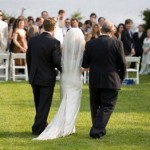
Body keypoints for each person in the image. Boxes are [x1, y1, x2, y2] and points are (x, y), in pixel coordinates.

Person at [33, 28, 85, 140]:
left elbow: (58, 61)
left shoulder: (63, 48)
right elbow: (83, 65)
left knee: (65, 100)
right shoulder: (81, 49)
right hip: (75, 77)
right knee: (73, 101)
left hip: (65, 76)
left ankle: (68, 126)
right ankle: (69, 127)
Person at [82, 21, 126, 139]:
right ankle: (96, 131)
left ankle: (98, 127)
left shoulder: (90, 44)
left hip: (95, 79)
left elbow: (84, 63)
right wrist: (121, 78)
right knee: (107, 106)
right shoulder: (117, 43)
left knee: (95, 105)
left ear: (101, 30)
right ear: (112, 31)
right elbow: (122, 63)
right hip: (111, 79)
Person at [26, 18, 62, 136]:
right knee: (44, 104)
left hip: (35, 76)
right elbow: (57, 61)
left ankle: (41, 124)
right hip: (47, 78)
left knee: (38, 103)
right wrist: (64, 70)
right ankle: (38, 128)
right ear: (54, 28)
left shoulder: (33, 40)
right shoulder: (55, 42)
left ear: (43, 26)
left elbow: (28, 58)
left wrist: (31, 72)